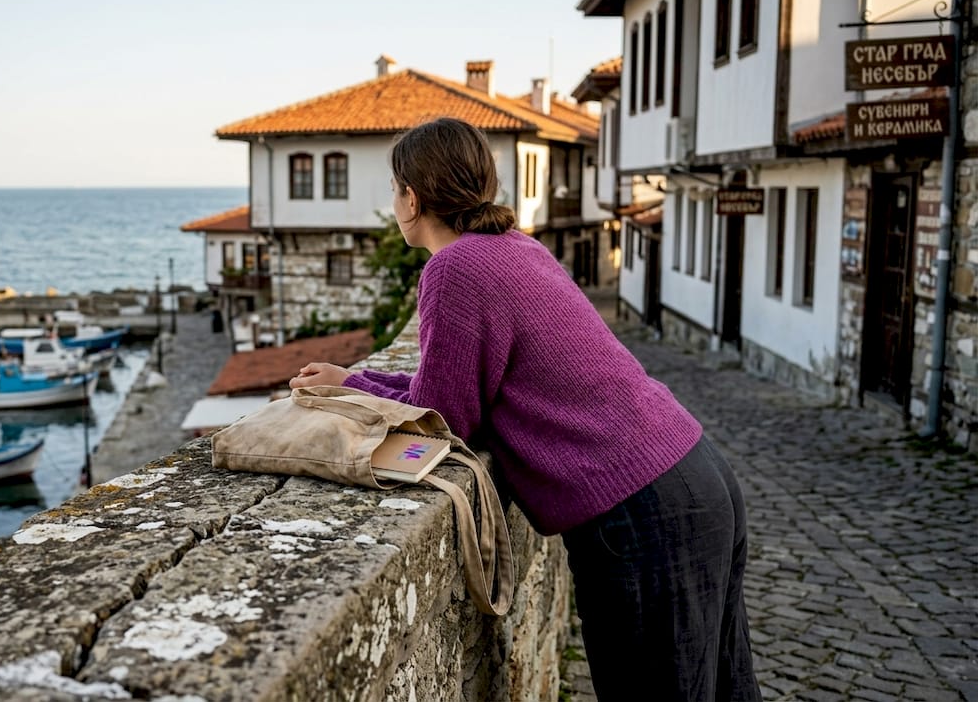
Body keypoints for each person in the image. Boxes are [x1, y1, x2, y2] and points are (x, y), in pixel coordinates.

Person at [288, 117, 761, 702]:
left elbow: (444, 416)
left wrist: (354, 389)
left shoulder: (454, 268)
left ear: (411, 196)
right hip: (694, 471)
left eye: (394, 188)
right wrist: (358, 380)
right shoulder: (515, 248)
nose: (394, 201)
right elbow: (452, 382)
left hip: (643, 511)